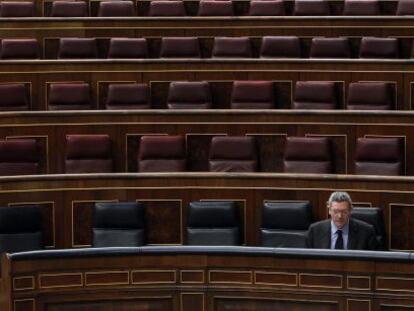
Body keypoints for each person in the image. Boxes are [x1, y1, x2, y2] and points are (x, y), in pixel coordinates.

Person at [306, 191, 377, 250]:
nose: (340, 216)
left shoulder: (366, 232)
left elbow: (375, 261)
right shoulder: (315, 230)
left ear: (350, 211)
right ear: (329, 211)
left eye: (344, 212)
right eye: (335, 211)